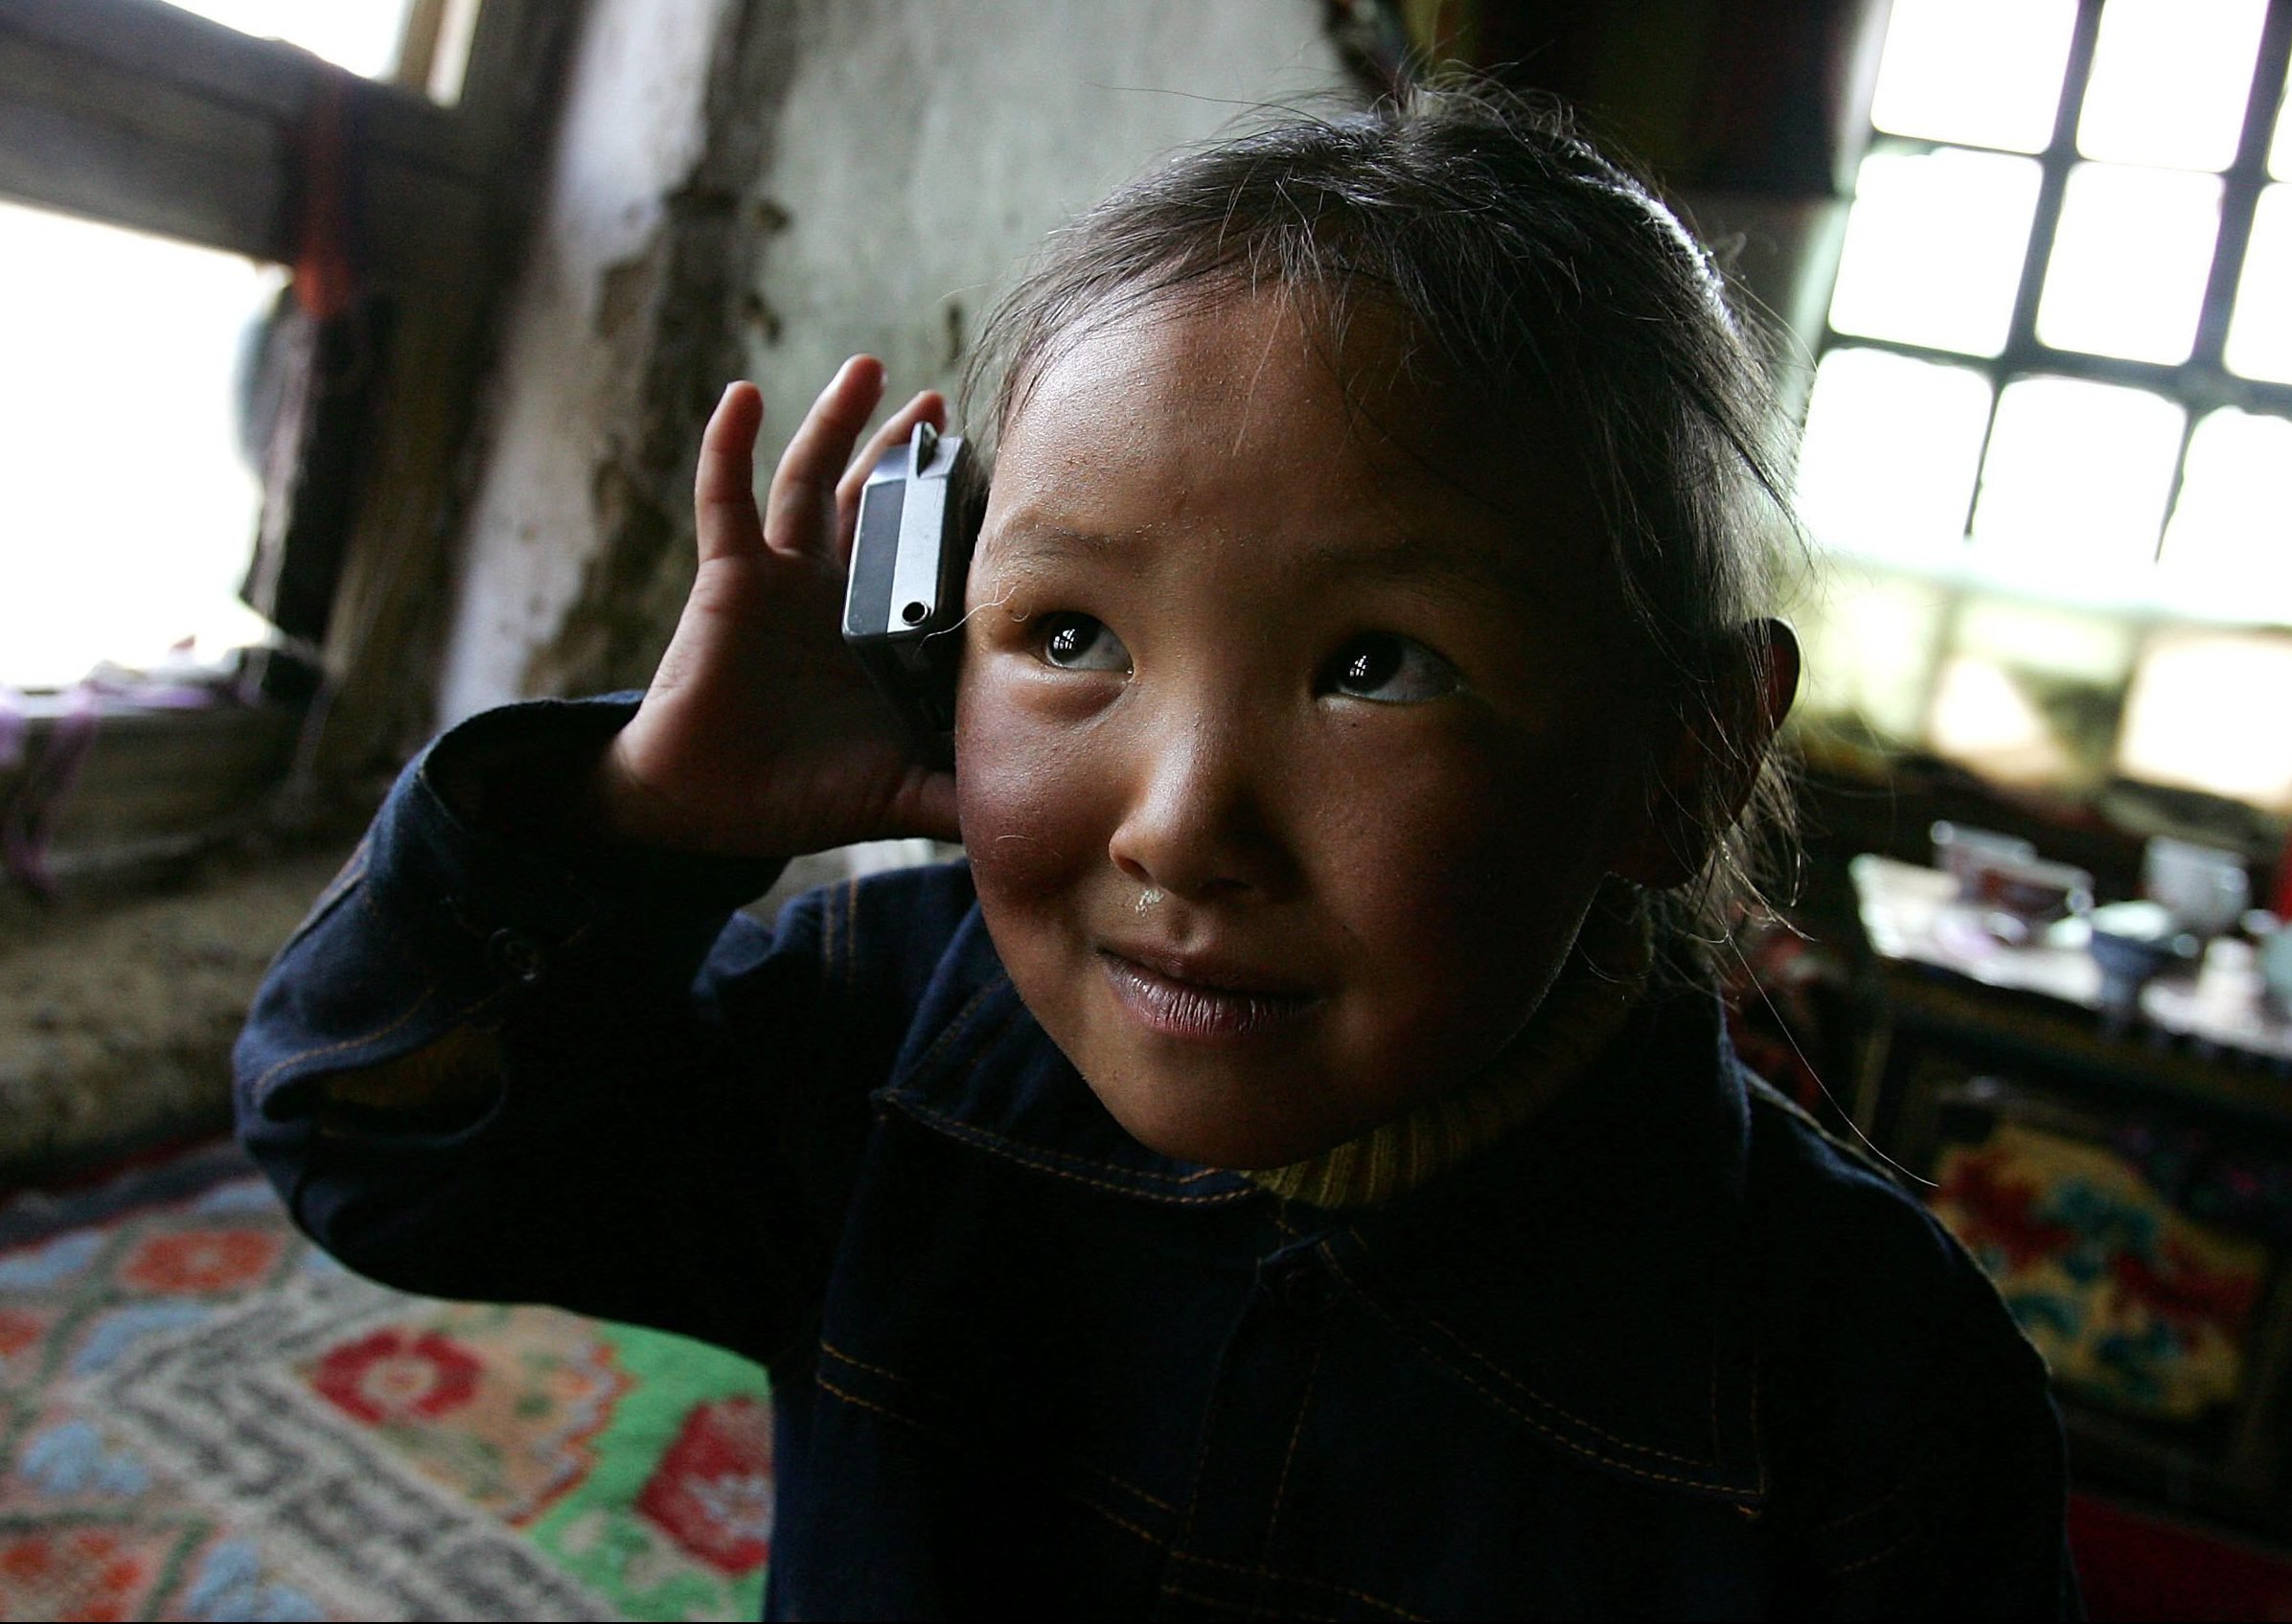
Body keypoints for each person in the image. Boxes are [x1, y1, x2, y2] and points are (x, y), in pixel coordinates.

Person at [235, 84, 2079, 1620]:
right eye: (1068, 638)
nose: (1180, 815)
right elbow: (369, 1143)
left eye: (1374, 667)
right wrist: (636, 828)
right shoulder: (889, 1035)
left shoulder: (1858, 1389)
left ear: (1677, 763)